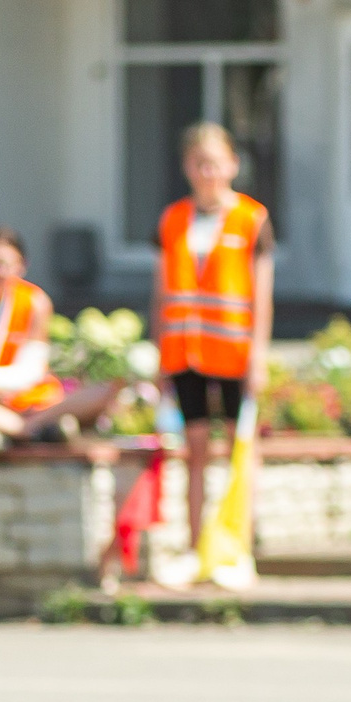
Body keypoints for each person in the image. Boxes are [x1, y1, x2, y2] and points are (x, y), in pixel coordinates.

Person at [153, 122, 275, 555]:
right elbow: (162, 290)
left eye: (216, 163)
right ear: (188, 167)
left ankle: (239, 543)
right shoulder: (173, 220)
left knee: (241, 449)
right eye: (200, 164)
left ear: (233, 166)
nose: (208, 172)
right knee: (196, 451)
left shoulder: (251, 219)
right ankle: (194, 545)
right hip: (184, 351)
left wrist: (258, 356)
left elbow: (262, 294)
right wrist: (159, 355)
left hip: (233, 352)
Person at [0, 228, 120, 454]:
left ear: (21, 266)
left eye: (6, 264)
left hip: (31, 401)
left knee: (104, 391)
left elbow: (31, 371)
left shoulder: (35, 301)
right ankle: (28, 431)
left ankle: (17, 428)